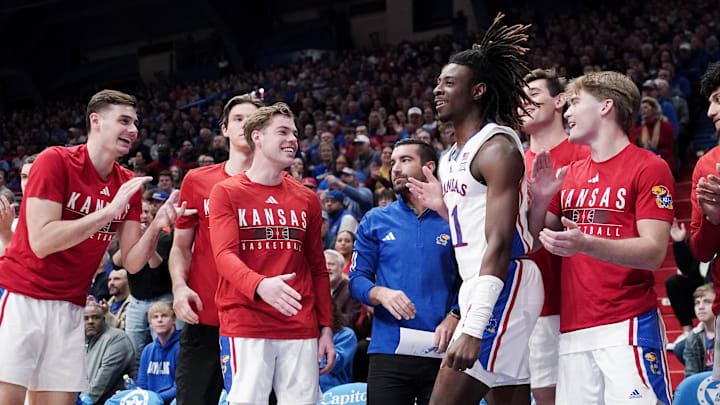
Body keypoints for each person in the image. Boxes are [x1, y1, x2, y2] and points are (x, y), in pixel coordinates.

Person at [0, 89, 189, 405]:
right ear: (96, 121)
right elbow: (42, 241)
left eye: (136, 123)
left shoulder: (126, 183)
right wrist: (107, 212)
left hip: (71, 307)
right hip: (25, 298)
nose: (133, 130)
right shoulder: (54, 161)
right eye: (124, 121)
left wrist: (156, 226)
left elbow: (131, 262)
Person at [407, 15, 543, 404]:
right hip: (482, 282)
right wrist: (443, 203)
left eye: (449, 83)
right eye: (437, 83)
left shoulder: (497, 148)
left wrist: (474, 323)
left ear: (478, 90)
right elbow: (471, 219)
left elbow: (499, 242)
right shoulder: (451, 157)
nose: (437, 90)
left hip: (504, 280)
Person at [528, 71, 674, 404]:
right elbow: (536, 240)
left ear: (606, 105)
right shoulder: (570, 174)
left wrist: (586, 243)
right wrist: (540, 198)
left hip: (627, 326)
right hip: (572, 331)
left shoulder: (649, 166)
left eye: (575, 102)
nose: (567, 113)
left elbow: (653, 252)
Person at [209, 102, 335, 405]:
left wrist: (327, 328)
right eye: (282, 132)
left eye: (294, 133)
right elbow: (224, 256)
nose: (293, 139)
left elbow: (318, 268)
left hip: (300, 324)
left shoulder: (307, 199)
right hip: (246, 322)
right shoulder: (226, 192)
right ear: (257, 137)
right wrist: (260, 285)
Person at [350, 138, 460, 405]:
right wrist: (379, 292)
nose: (395, 168)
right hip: (388, 349)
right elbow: (357, 280)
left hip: (444, 349)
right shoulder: (375, 219)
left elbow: (472, 275)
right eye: (393, 162)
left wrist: (456, 314)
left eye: (405, 160)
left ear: (429, 167)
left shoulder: (455, 217)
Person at [170, 94, 262, 405]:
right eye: (238, 119)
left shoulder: (283, 184)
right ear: (224, 129)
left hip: (258, 322)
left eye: (253, 120)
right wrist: (180, 289)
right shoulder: (197, 180)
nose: (245, 125)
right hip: (204, 320)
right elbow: (181, 247)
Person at [520, 68, 589, 405]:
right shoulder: (511, 163)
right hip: (538, 304)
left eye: (533, 95)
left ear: (560, 100)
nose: (524, 103)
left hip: (589, 302)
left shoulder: (589, 152)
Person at [689, 61, 720, 382]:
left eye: (718, 99)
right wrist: (713, 219)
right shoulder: (708, 165)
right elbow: (699, 250)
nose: (711, 111)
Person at [115, 199, 174, 361]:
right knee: (133, 351)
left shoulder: (164, 236)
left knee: (163, 346)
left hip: (161, 298)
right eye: (139, 212)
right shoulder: (128, 235)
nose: (143, 215)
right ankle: (137, 383)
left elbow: (157, 266)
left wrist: (148, 240)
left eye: (147, 212)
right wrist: (132, 241)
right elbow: (117, 262)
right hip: (136, 300)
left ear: (153, 215)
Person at [83, 302, 135, 405]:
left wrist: (82, 402)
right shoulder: (81, 341)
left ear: (104, 319)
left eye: (95, 317)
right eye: (86, 318)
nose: (90, 322)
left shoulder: (117, 339)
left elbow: (102, 384)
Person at [136, 302, 181, 405]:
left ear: (173, 320)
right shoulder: (148, 350)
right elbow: (142, 384)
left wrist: (152, 398)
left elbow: (179, 387)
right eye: (155, 317)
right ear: (150, 324)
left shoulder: (181, 348)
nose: (159, 320)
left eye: (164, 316)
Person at [684, 284, 716, 377]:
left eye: (707, 302)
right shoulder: (693, 337)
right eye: (697, 303)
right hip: (706, 387)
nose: (700, 307)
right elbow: (691, 376)